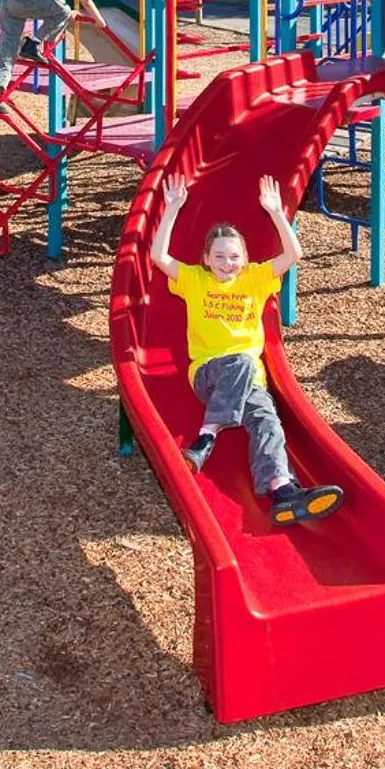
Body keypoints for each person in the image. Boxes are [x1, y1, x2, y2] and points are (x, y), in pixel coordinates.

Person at [147, 170, 344, 526]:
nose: (228, 264)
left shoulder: (254, 278)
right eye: (220, 257)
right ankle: (207, 436)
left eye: (234, 257)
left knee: (268, 421)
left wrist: (274, 211)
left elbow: (293, 252)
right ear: (206, 258)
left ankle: (282, 490)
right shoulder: (195, 279)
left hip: (249, 381)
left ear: (245, 258)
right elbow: (159, 255)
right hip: (208, 373)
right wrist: (172, 207)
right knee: (240, 359)